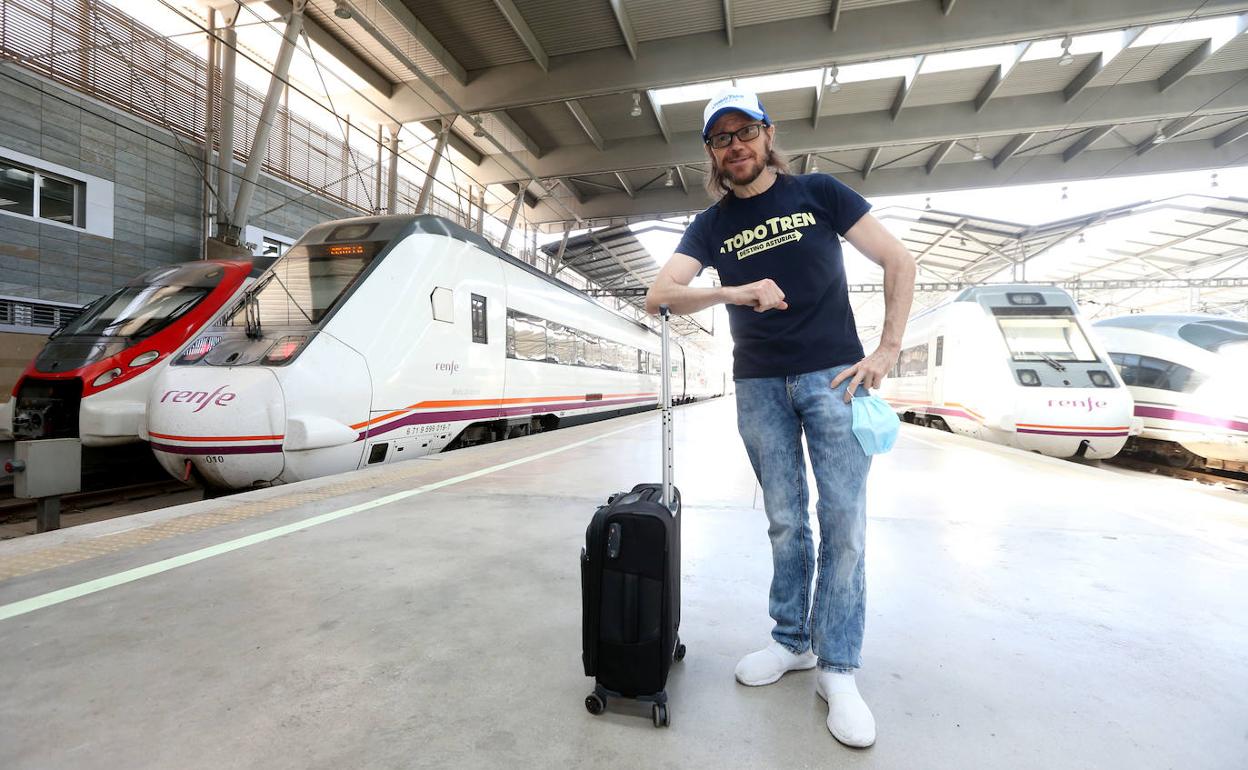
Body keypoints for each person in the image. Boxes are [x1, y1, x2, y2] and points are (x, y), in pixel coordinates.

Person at [644, 87, 916, 748]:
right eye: (720, 138)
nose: (734, 146)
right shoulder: (711, 225)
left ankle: (839, 669)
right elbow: (660, 294)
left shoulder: (819, 193)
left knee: (844, 521)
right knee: (786, 520)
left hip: (836, 378)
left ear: (768, 134)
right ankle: (792, 641)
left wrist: (886, 349)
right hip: (759, 384)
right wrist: (735, 290)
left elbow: (898, 259)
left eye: (744, 132)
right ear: (711, 152)